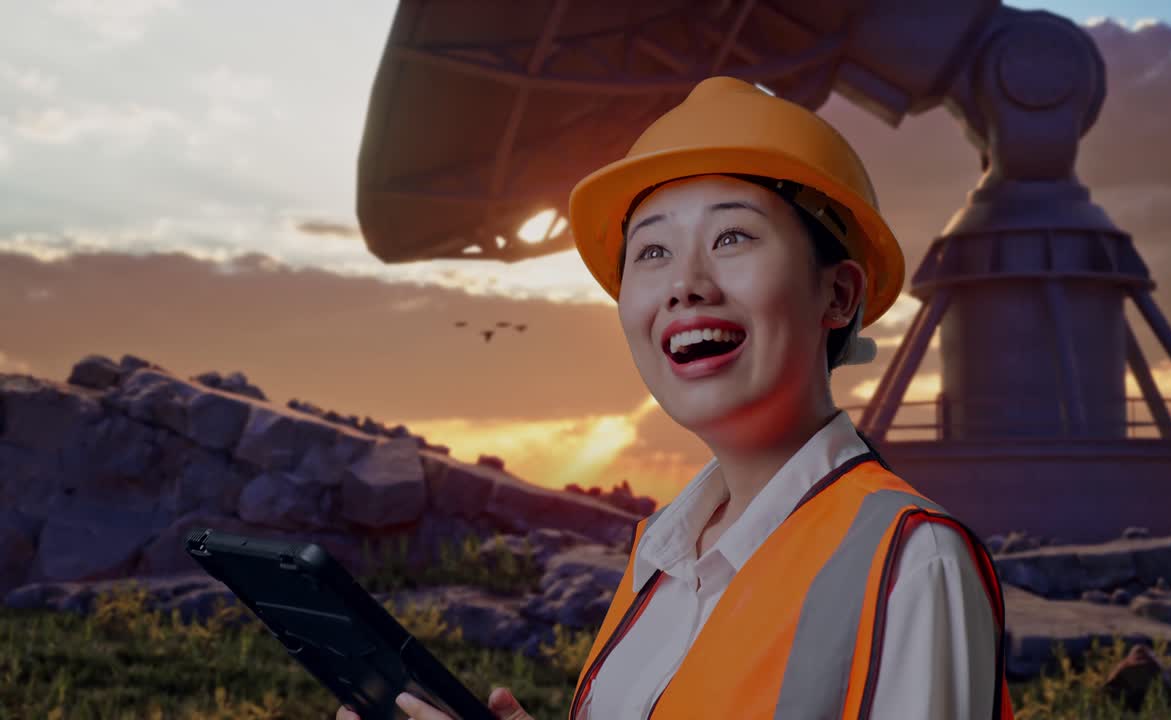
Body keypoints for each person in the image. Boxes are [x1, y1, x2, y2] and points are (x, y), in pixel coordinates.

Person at [338, 76, 1015, 720]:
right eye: (652, 251)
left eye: (732, 237)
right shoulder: (660, 557)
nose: (684, 284)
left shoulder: (912, 561)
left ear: (837, 294)